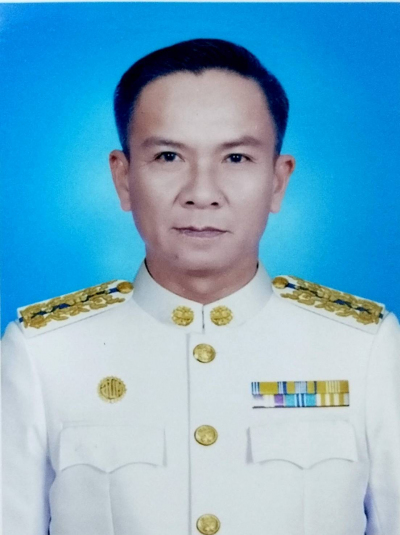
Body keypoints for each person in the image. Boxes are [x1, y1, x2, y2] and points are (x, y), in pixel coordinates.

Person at [2, 38, 399, 535]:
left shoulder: (364, 348)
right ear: (123, 179)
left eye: (236, 158)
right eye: (169, 156)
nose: (202, 194)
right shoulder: (43, 354)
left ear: (278, 181)